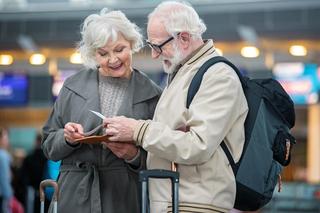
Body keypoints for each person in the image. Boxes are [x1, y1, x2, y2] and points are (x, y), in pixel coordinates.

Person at [103, 1, 249, 213]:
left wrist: (138, 130)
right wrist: (133, 151)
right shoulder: (184, 72)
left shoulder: (218, 76)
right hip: (176, 201)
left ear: (184, 38)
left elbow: (197, 145)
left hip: (195, 204)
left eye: (158, 46)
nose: (154, 55)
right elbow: (174, 143)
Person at [41, 8, 162, 213]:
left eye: (120, 49)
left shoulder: (152, 94)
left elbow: (162, 158)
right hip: (74, 196)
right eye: (103, 53)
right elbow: (48, 145)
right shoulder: (72, 86)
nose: (113, 59)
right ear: (92, 54)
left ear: (132, 44)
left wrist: (133, 155)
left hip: (123, 196)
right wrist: (67, 138)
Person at [19, 133, 48, 213]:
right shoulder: (48, 158)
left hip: (32, 190)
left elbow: (23, 176)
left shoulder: (29, 157)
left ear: (36, 142)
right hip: (45, 189)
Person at [0, 127, 13, 213]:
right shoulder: (3, 156)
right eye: (6, 137)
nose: (7, 140)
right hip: (3, 195)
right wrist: (10, 196)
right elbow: (4, 178)